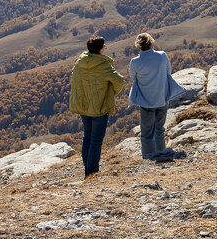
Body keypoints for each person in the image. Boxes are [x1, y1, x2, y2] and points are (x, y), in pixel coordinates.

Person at [68, 36, 124, 179]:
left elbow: (74, 81)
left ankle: (87, 167)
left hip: (83, 105)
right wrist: (110, 93)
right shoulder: (103, 65)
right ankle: (92, 172)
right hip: (99, 107)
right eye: (104, 46)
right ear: (100, 49)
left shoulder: (79, 63)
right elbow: (119, 81)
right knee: (96, 140)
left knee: (87, 136)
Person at [128, 31, 188, 162]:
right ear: (151, 43)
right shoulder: (162, 56)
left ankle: (148, 157)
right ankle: (161, 153)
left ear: (139, 46)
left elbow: (133, 77)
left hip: (145, 101)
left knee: (147, 133)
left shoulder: (135, 61)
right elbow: (168, 71)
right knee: (159, 129)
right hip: (162, 99)